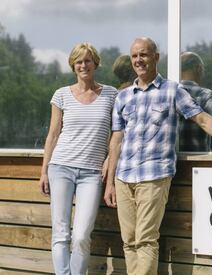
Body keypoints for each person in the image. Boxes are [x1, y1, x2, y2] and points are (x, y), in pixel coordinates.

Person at [103, 37, 212, 275]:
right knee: (129, 241)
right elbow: (117, 139)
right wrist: (110, 182)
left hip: (154, 175)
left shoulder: (173, 90)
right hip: (123, 177)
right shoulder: (124, 97)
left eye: (144, 55)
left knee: (145, 240)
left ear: (156, 58)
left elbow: (203, 119)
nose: (139, 60)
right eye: (135, 56)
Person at [38, 42, 118, 275]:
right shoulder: (61, 95)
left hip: (92, 173)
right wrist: (44, 171)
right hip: (60, 167)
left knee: (82, 234)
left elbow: (116, 133)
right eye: (79, 61)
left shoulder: (111, 94)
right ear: (73, 65)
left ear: (96, 63)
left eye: (87, 60)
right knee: (61, 233)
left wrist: (108, 159)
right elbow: (53, 135)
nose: (83, 65)